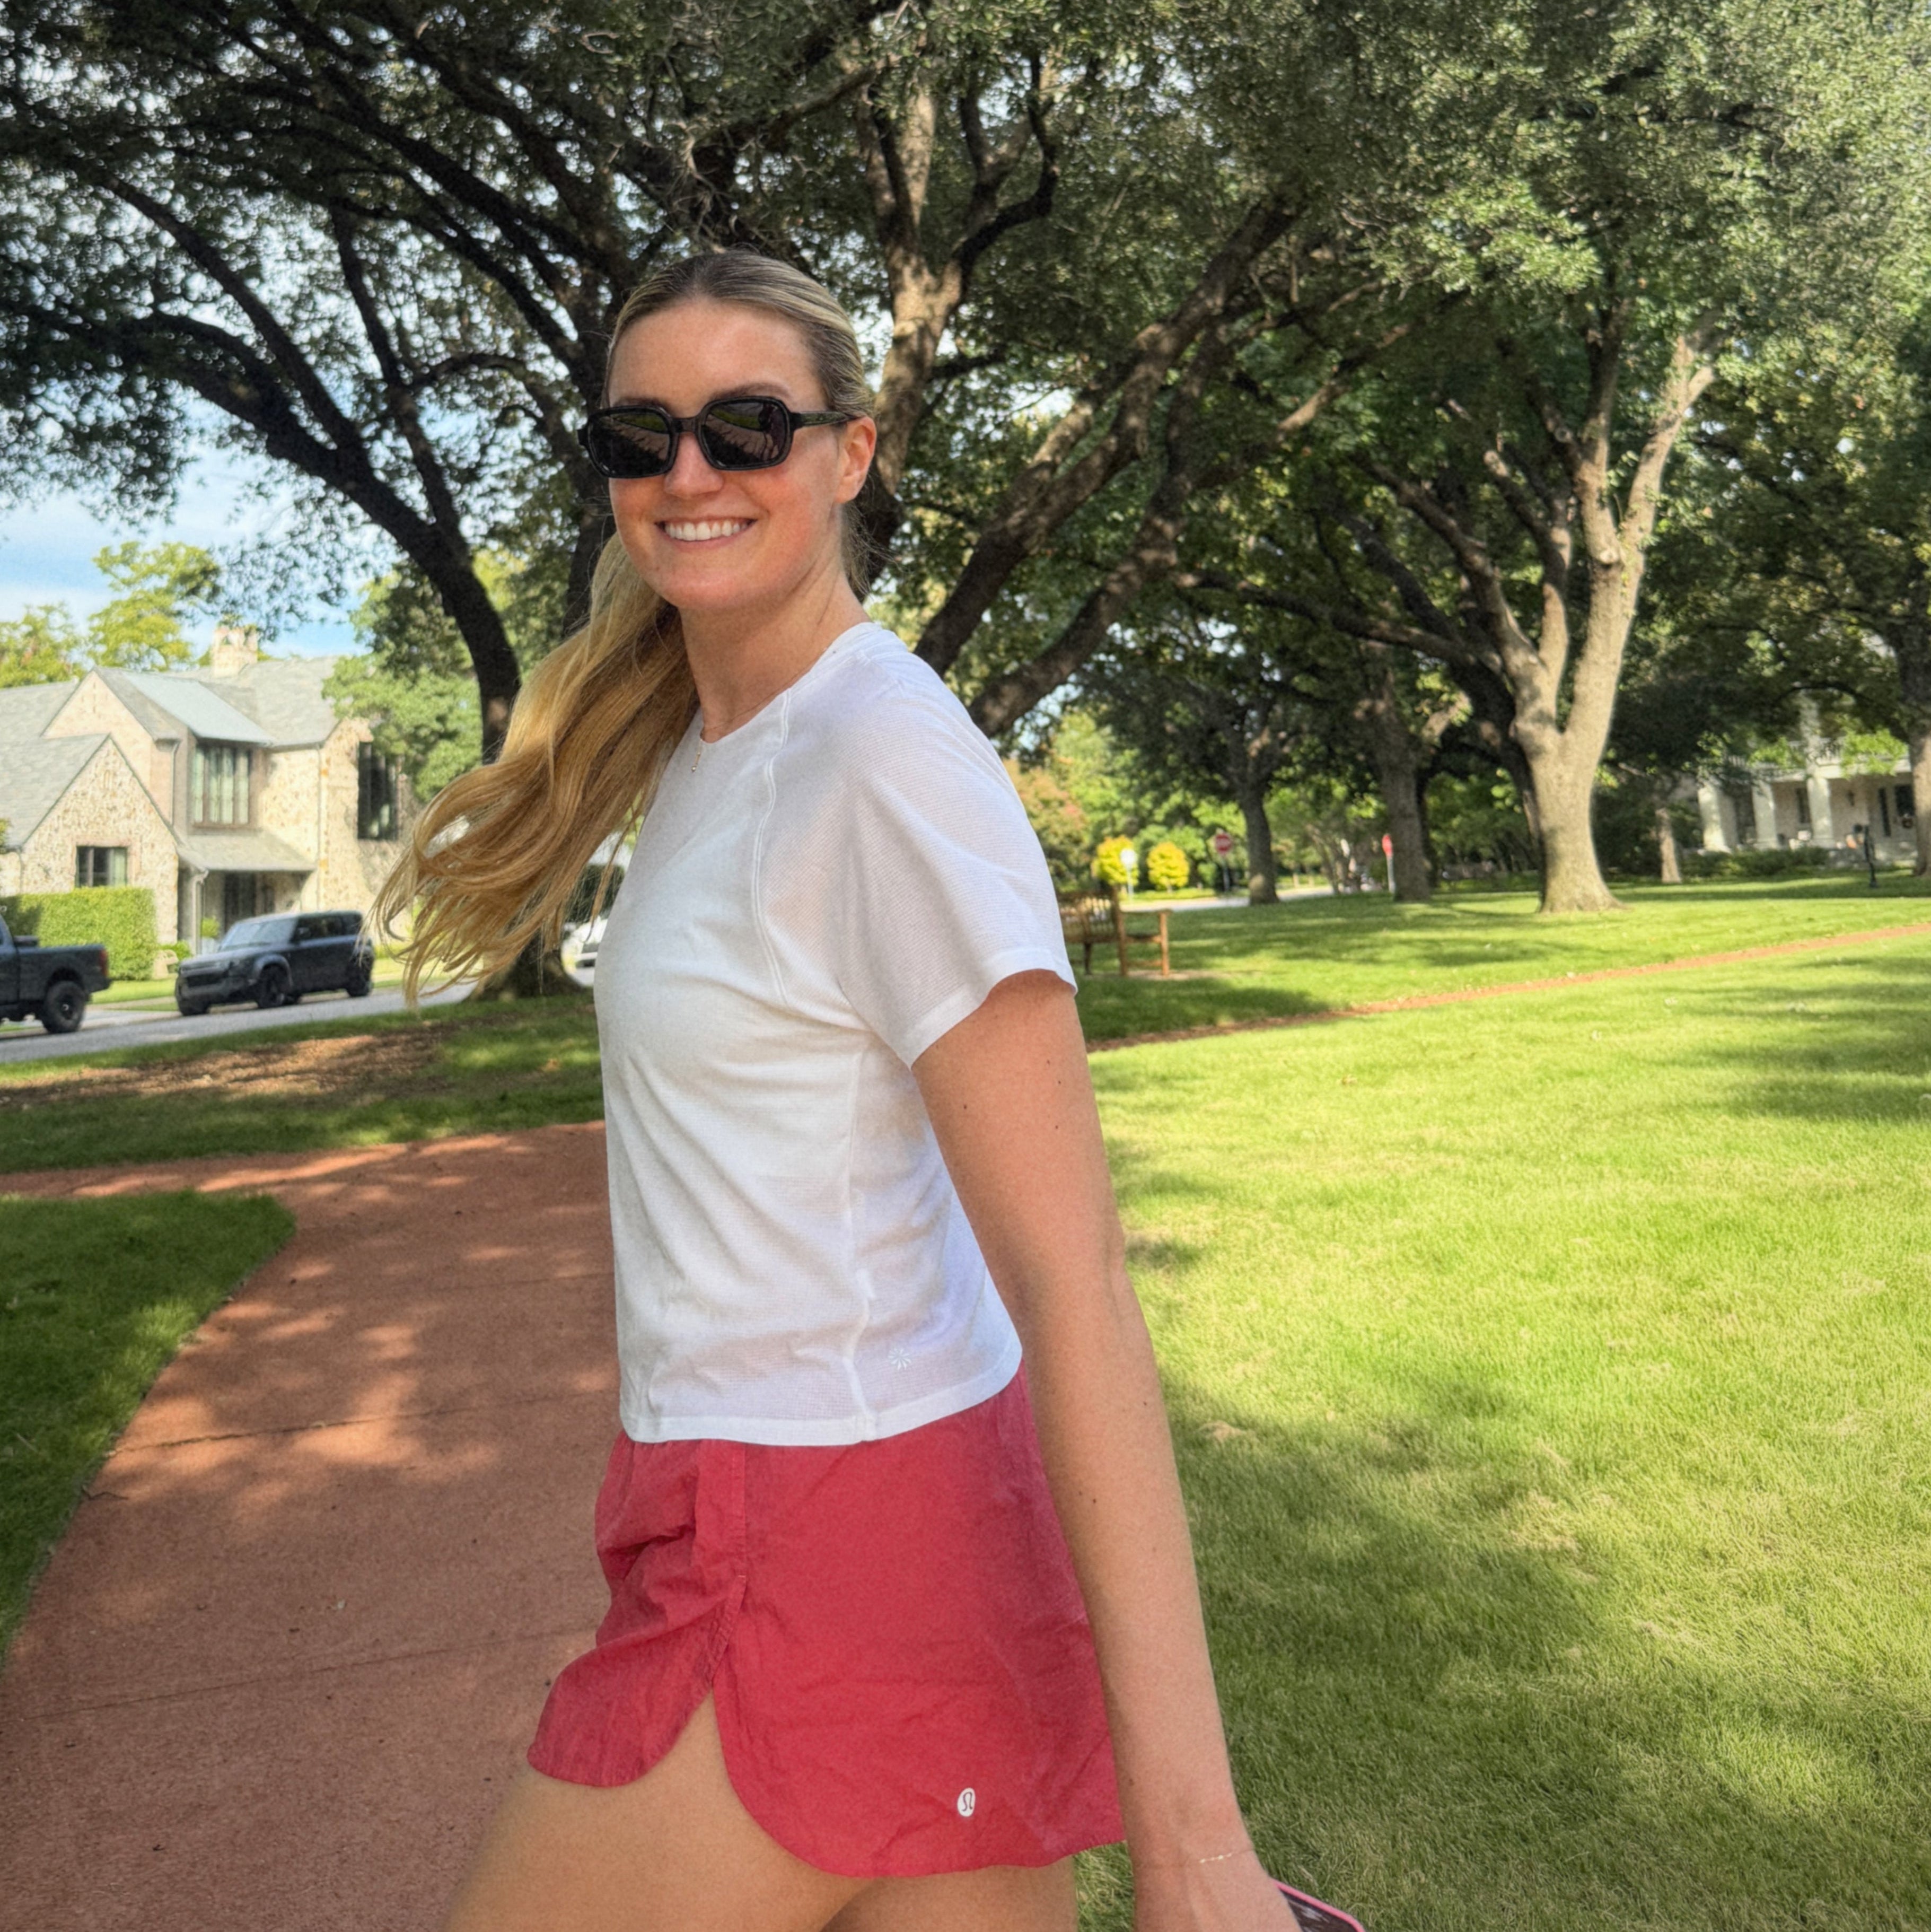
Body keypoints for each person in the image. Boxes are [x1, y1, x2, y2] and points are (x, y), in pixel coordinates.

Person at [379, 251, 1295, 1932]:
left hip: (821, 1533)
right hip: (801, 1499)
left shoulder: (880, 759)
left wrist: (1196, 1855)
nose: (689, 474)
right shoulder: (721, 745)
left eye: (747, 425)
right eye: (639, 436)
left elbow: (1072, 1285)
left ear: (849, 454)